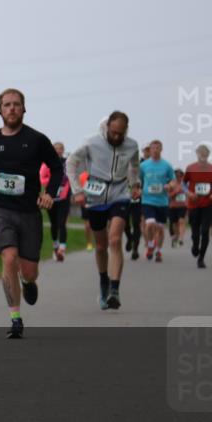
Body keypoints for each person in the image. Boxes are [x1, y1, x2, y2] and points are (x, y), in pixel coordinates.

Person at [0, 89, 62, 339]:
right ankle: (15, 318)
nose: (12, 109)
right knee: (9, 258)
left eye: (16, 104)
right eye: (7, 105)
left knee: (29, 271)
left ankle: (28, 283)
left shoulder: (37, 139)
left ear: (24, 109)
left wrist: (50, 193)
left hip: (29, 211)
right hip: (0, 210)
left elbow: (56, 167)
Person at [66, 114, 141, 311]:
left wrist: (135, 185)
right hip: (95, 193)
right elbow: (71, 163)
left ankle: (115, 291)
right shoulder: (91, 143)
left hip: (119, 193)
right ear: (107, 127)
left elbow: (134, 166)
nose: (116, 137)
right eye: (113, 132)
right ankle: (103, 281)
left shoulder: (132, 145)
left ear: (126, 130)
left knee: (115, 239)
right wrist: (77, 190)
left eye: (121, 133)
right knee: (101, 245)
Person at [183, 145, 212, 268]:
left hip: (208, 204)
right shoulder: (190, 168)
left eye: (205, 154)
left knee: (205, 231)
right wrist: (189, 193)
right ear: (197, 154)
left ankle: (201, 259)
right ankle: (195, 245)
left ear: (208, 155)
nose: (203, 156)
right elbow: (184, 183)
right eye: (201, 154)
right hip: (194, 204)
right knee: (195, 232)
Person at [138, 140, 178, 262]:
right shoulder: (144, 166)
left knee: (160, 228)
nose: (155, 150)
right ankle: (150, 245)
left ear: (161, 149)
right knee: (149, 224)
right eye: (153, 148)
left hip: (162, 202)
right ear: (150, 150)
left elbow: (173, 180)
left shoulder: (166, 165)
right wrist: (138, 189)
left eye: (157, 148)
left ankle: (159, 251)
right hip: (148, 200)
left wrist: (169, 186)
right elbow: (138, 180)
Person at [40, 141, 71, 261]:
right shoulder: (47, 163)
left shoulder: (67, 162)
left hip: (64, 196)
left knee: (62, 223)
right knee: (54, 224)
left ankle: (62, 250)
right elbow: (42, 178)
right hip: (51, 197)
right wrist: (53, 183)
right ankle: (56, 245)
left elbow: (71, 176)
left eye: (60, 148)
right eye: (56, 148)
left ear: (63, 150)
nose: (58, 150)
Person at [168, 168, 189, 248]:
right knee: (174, 224)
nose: (178, 176)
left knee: (181, 221)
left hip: (183, 206)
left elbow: (188, 195)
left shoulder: (186, 184)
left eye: (180, 175)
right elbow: (168, 196)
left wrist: (188, 205)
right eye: (177, 175)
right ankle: (176, 236)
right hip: (173, 206)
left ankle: (181, 238)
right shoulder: (171, 183)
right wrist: (175, 192)